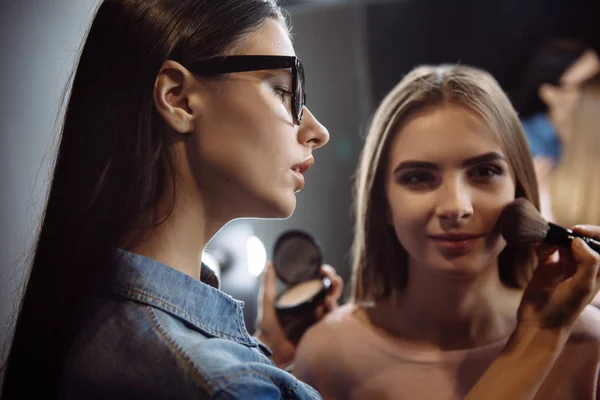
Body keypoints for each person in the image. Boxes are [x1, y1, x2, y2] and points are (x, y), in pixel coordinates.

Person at [0, 1, 598, 399]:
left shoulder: (115, 314)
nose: (316, 129)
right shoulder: (222, 378)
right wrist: (539, 336)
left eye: (485, 170)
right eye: (284, 90)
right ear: (178, 97)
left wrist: (273, 363)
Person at [293, 64, 600, 400]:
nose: (456, 207)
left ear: (519, 187)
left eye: (484, 171)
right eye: (419, 177)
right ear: (382, 203)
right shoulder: (327, 355)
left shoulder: (587, 341)